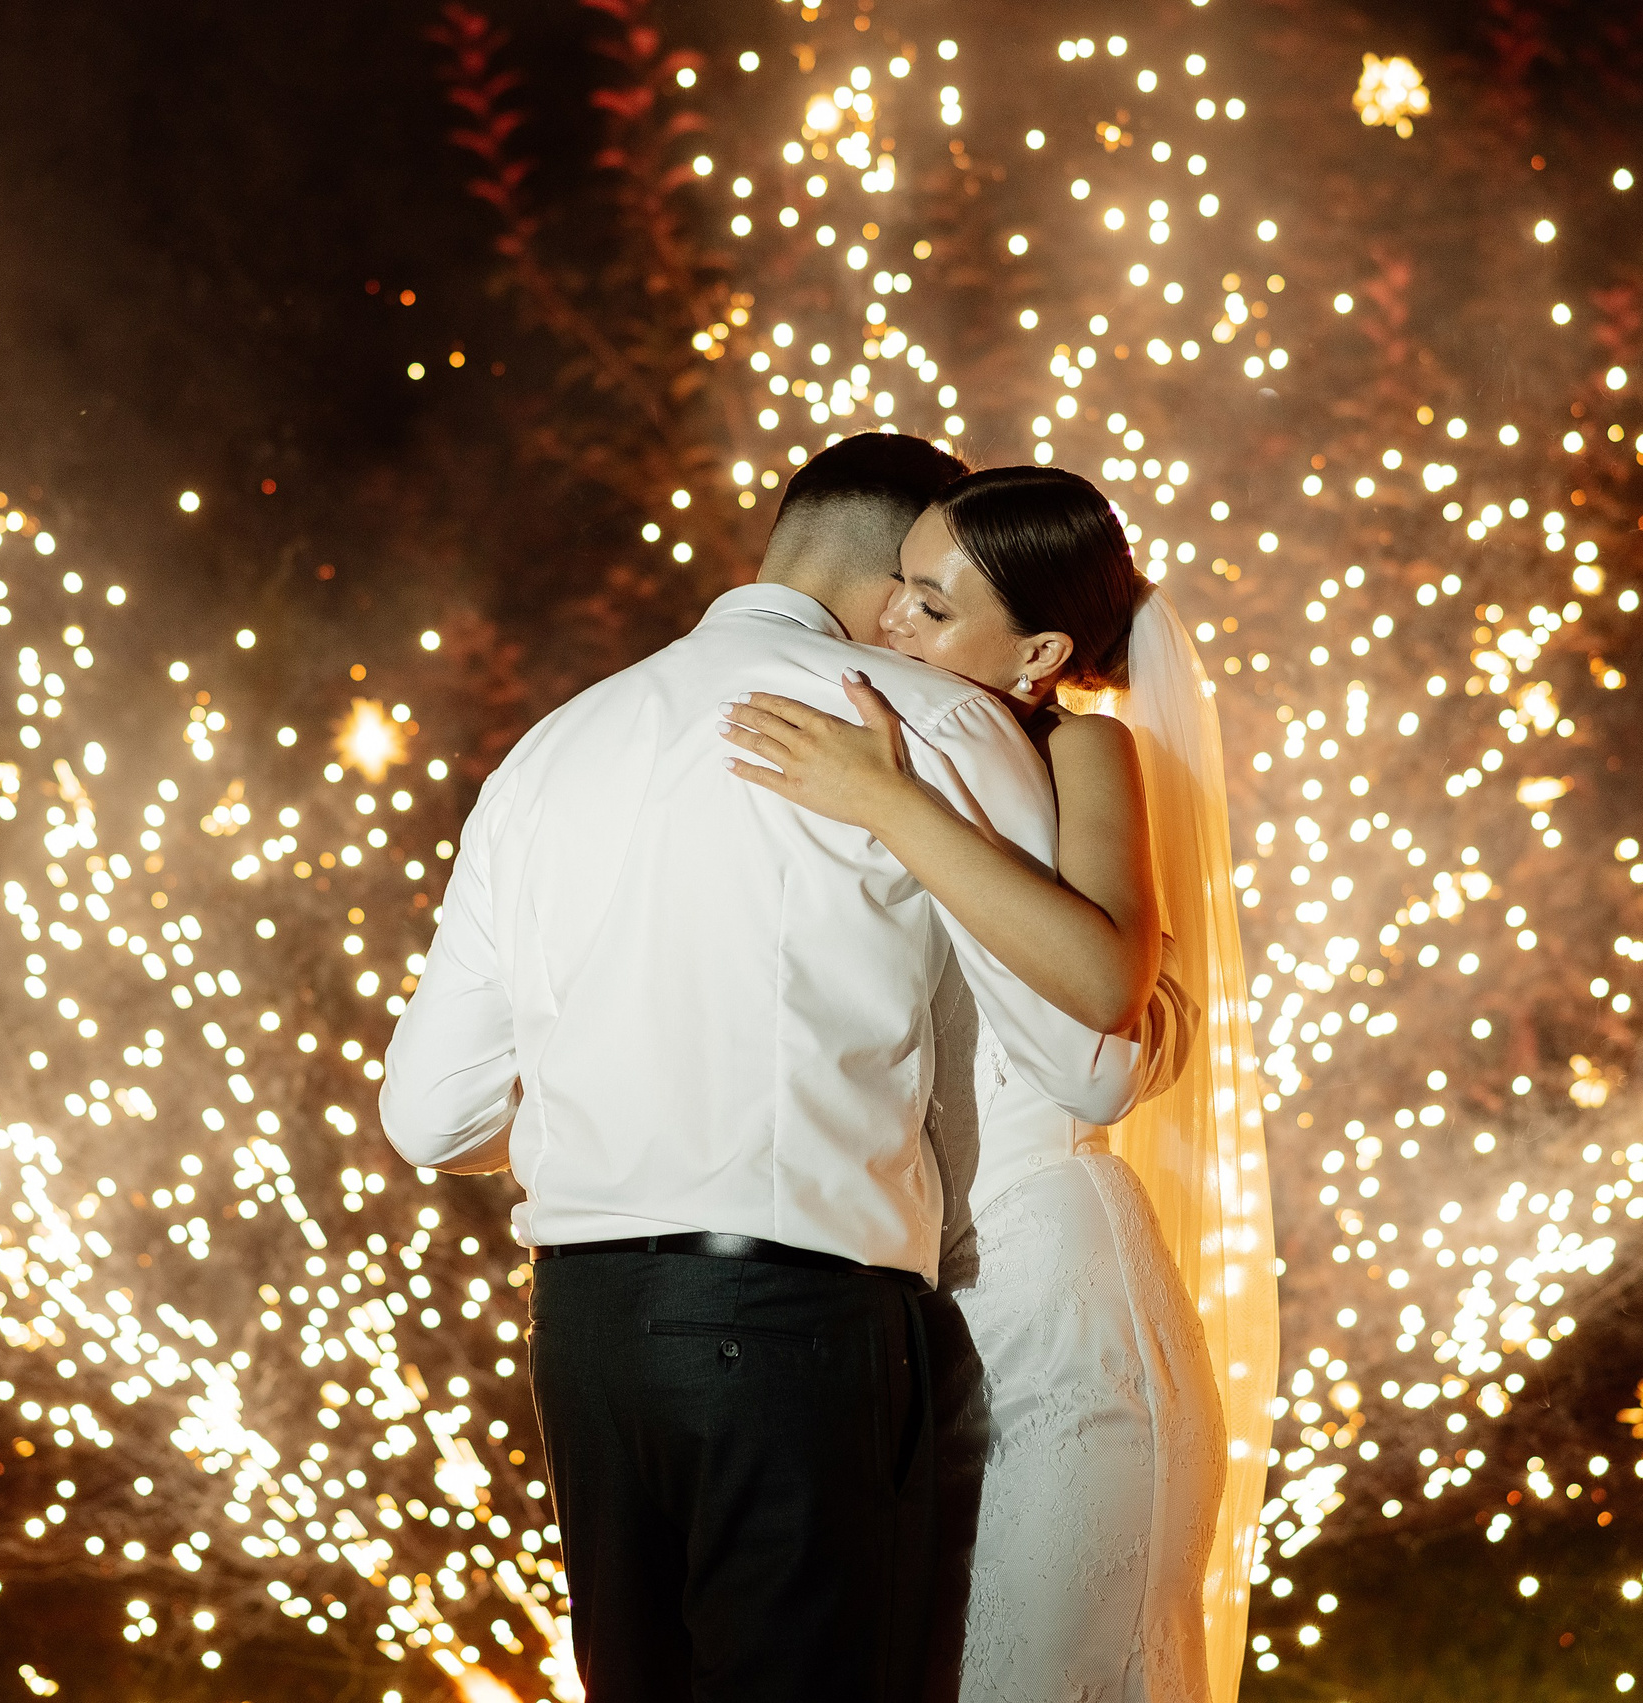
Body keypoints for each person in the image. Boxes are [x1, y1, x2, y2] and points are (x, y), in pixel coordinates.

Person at [378, 435, 1177, 1703]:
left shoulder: (547, 748)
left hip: (583, 1330)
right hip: (796, 1319)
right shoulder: (933, 720)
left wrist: (619, 1103)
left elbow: (429, 1117)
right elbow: (1086, 1057)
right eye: (916, 591)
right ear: (893, 570)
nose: (909, 622)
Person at [719, 465, 1278, 1703]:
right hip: (918, 1313)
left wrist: (884, 800)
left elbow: (1105, 985)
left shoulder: (1084, 750)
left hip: (1058, 1306)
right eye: (898, 587)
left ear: (1039, 653)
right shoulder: (895, 723)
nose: (888, 619)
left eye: (930, 605)